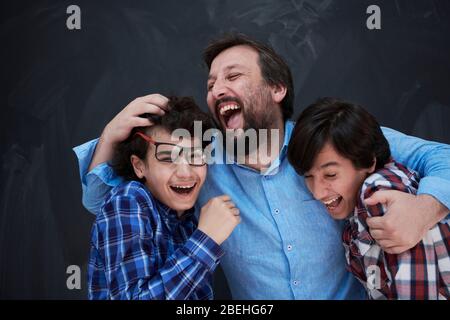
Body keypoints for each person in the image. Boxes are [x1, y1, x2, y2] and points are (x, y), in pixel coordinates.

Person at [74, 33, 450, 299]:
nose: (217, 89)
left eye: (233, 76)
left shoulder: (331, 140)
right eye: (211, 83)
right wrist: (109, 135)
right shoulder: (201, 162)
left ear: (277, 89)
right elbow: (104, 201)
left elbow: (442, 157)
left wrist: (424, 209)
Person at [287, 98, 450, 300]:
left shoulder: (377, 194)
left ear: (368, 161)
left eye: (330, 175)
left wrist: (425, 209)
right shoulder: (358, 204)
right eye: (308, 177)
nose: (317, 193)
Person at [87, 96, 240, 299]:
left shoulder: (188, 218)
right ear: (139, 166)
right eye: (168, 158)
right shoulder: (129, 199)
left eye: (195, 156)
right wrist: (206, 240)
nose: (186, 173)